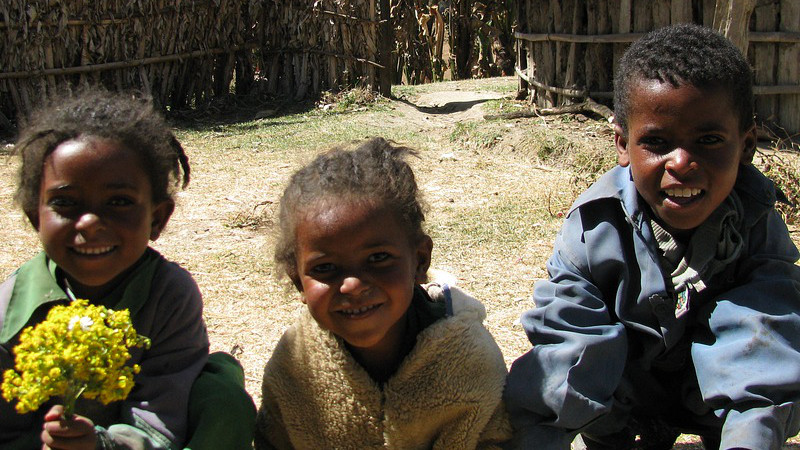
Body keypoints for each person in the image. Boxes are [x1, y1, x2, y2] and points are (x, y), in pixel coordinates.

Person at [504, 23, 800, 450]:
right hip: (620, 399)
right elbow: (566, 354)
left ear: (747, 144)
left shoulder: (756, 223)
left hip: (714, 398)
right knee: (577, 367)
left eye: (710, 140)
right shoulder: (592, 229)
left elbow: (763, 351)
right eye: (657, 142)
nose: (682, 162)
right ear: (623, 144)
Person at [0, 89, 255, 450]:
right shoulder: (11, 308)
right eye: (65, 203)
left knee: (221, 394)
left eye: (119, 202)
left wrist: (101, 445)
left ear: (157, 218)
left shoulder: (168, 295)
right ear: (34, 218)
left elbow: (161, 423)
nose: (89, 222)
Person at [254, 137, 512, 449]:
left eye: (377, 259)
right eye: (325, 268)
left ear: (420, 262)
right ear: (299, 282)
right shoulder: (293, 367)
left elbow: (493, 439)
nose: (352, 285)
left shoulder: (470, 359)